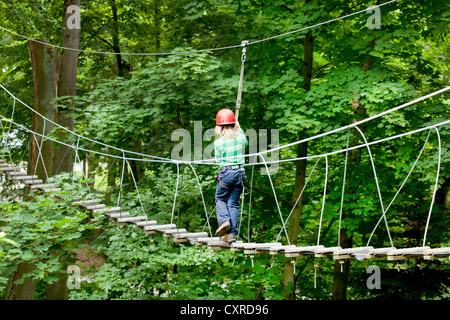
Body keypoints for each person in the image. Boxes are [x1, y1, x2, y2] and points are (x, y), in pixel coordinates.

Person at [213, 108, 248, 243]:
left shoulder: (218, 143)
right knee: (233, 203)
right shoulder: (240, 138)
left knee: (220, 199)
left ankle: (224, 221)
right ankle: (231, 234)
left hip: (227, 174)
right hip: (240, 174)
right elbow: (245, 142)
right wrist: (239, 129)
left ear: (220, 127)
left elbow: (217, 160)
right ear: (234, 125)